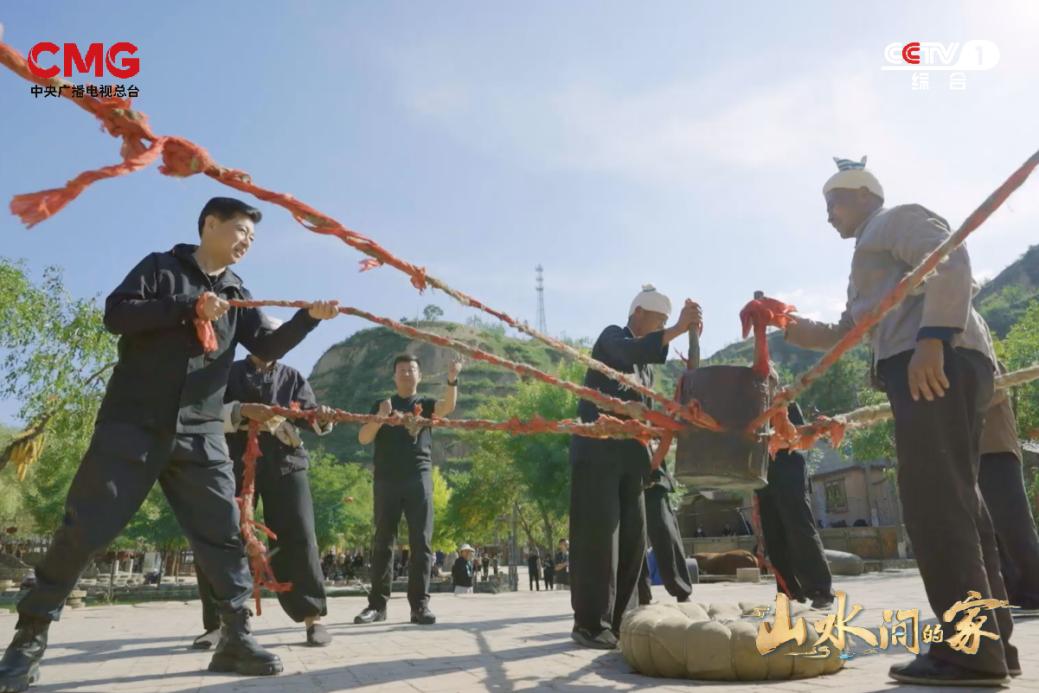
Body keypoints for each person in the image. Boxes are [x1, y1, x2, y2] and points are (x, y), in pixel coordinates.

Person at [0, 197, 340, 690]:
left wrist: (309, 318)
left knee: (224, 536)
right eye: (240, 230)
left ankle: (235, 638)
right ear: (210, 224)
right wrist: (188, 309)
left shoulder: (237, 292)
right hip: (132, 425)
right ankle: (28, 640)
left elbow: (265, 348)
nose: (246, 241)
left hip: (202, 433)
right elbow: (116, 315)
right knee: (84, 528)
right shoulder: (161, 269)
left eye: (253, 237)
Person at [780, 156, 1018, 686]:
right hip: (931, 362)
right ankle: (993, 642)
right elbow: (850, 327)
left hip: (935, 358)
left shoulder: (894, 220)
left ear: (865, 193)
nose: (828, 216)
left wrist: (934, 338)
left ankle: (968, 652)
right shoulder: (870, 255)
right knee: (958, 502)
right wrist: (790, 328)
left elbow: (948, 258)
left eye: (834, 202)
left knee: (935, 502)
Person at [568, 286, 702, 649]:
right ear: (639, 313)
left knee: (632, 539)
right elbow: (629, 351)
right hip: (597, 450)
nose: (663, 329)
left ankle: (619, 619)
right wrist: (676, 329)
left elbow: (653, 411)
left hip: (633, 458)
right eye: (660, 321)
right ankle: (590, 623)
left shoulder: (646, 370)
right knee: (600, 538)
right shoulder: (612, 338)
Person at [192, 352, 337, 650]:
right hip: (233, 460)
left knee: (300, 534)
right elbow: (204, 410)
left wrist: (321, 417)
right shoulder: (228, 373)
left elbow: (309, 417)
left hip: (286, 459)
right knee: (221, 537)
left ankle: (313, 618)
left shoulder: (292, 377)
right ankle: (218, 624)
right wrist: (242, 410)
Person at [353, 355, 462, 626]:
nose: (406, 373)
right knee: (382, 543)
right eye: (401, 370)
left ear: (419, 376)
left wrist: (452, 378)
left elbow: (447, 406)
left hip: (418, 478)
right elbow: (364, 437)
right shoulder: (382, 404)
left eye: (412, 369)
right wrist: (380, 416)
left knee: (421, 543)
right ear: (394, 376)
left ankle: (419, 607)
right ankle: (377, 606)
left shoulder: (424, 405)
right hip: (386, 480)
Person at [754, 403, 834, 610]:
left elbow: (803, 439)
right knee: (773, 534)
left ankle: (820, 590)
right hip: (762, 475)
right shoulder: (750, 408)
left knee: (799, 528)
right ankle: (788, 591)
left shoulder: (785, 402)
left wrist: (776, 442)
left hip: (789, 469)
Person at [977, 367, 1039, 617]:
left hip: (997, 450)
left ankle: (1035, 588)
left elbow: (995, 393)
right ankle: (1014, 591)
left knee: (1014, 525)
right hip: (970, 457)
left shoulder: (985, 357)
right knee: (990, 531)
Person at [637, 456, 693, 606]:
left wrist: (655, 461)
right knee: (632, 540)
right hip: (623, 476)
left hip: (653, 480)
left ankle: (681, 590)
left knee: (666, 534)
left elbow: (666, 434)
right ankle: (640, 594)